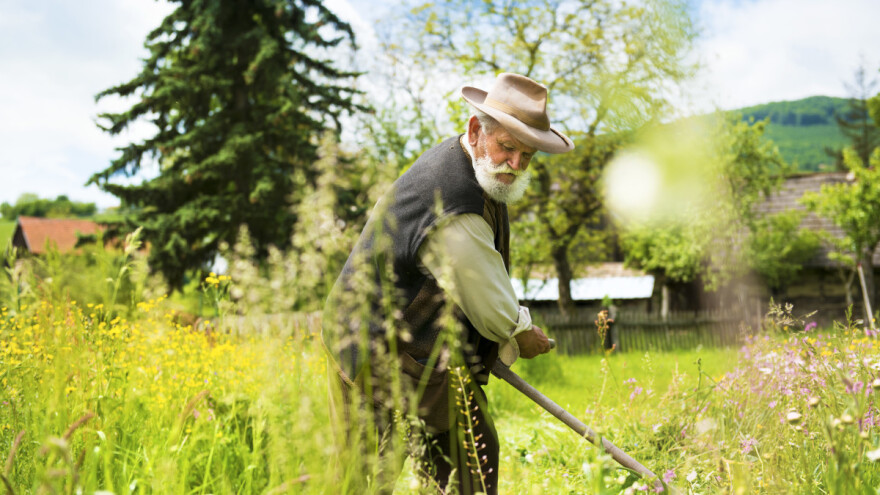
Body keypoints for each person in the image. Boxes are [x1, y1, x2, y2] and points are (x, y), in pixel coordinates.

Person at [322, 72, 575, 494]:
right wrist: (522, 333)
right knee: (363, 481)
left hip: (432, 362)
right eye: (507, 148)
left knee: (470, 469)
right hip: (375, 357)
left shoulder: (478, 172)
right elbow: (492, 307)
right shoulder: (453, 202)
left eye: (527, 155)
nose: (514, 165)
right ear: (476, 131)